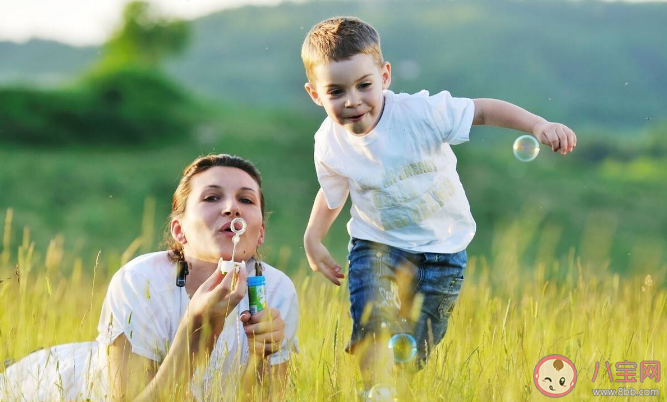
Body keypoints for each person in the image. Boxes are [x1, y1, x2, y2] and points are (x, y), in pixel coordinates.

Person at [300, 16, 576, 399]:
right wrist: (313, 237)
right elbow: (333, 189)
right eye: (336, 92)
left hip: (444, 249)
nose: (353, 101)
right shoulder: (329, 143)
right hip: (375, 243)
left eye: (364, 85)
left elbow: (481, 111)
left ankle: (395, 382)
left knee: (421, 338)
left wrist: (537, 125)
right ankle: (373, 391)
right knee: (372, 320)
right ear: (315, 94)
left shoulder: (419, 114)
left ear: (385, 76)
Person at [0, 154, 299, 401]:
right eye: (212, 197)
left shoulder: (276, 291)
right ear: (180, 231)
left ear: (259, 233)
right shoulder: (139, 281)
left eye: (246, 200)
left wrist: (261, 358)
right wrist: (196, 331)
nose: (231, 207)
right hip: (49, 389)